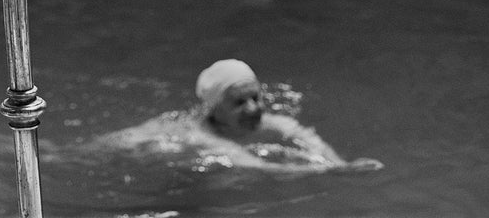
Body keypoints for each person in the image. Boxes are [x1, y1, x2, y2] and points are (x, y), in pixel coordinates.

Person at [90, 59, 380, 174]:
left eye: (256, 97)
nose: (254, 108)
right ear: (214, 109)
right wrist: (331, 172)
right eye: (239, 103)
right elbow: (256, 165)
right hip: (134, 150)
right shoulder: (203, 136)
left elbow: (305, 137)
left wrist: (341, 161)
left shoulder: (269, 121)